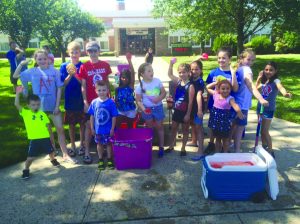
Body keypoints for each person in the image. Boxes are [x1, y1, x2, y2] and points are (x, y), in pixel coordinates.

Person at [13, 49, 77, 164]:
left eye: (44, 58)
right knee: (47, 130)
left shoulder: (54, 72)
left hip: (53, 106)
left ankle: (65, 154)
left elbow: (59, 88)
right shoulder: (32, 71)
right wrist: (22, 64)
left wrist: (57, 105)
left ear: (49, 59)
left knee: (60, 129)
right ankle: (51, 151)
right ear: (36, 60)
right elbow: (16, 75)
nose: (42, 61)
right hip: (39, 108)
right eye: (39, 59)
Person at [77, 41, 112, 164]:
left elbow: (107, 83)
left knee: (105, 122)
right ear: (87, 52)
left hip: (104, 100)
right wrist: (85, 101)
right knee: (88, 125)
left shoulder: (105, 65)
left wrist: (110, 96)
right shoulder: (84, 66)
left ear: (99, 51)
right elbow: (83, 86)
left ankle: (107, 152)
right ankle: (87, 152)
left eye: (95, 50)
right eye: (89, 51)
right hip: (91, 101)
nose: (92, 53)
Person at [15, 87, 60, 179]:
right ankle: (26, 169)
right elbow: (16, 104)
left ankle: (53, 159)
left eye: (38, 104)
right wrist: (17, 93)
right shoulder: (26, 113)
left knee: (51, 151)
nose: (36, 106)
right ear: (28, 105)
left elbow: (49, 128)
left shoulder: (42, 114)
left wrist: (52, 140)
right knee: (30, 158)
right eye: (33, 105)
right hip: (34, 140)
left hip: (45, 138)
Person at [231, 49, 269, 152]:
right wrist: (260, 98)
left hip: (235, 101)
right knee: (240, 128)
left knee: (233, 126)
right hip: (242, 104)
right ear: (242, 59)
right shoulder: (247, 70)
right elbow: (250, 85)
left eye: (253, 60)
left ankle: (228, 144)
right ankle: (237, 149)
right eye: (248, 59)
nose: (250, 62)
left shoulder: (239, 68)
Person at [205, 47, 238, 153]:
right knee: (213, 126)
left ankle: (225, 148)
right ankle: (211, 144)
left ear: (229, 59)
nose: (221, 60)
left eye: (224, 58)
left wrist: (233, 73)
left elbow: (235, 89)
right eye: (219, 58)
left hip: (227, 107)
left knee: (225, 130)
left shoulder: (233, 74)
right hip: (214, 105)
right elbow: (208, 87)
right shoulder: (213, 72)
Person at [255, 61, 292, 157]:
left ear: (275, 71)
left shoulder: (276, 81)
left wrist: (285, 93)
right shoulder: (264, 81)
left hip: (268, 109)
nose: (268, 71)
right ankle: (264, 146)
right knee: (261, 131)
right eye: (266, 69)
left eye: (271, 70)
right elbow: (255, 89)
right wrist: (258, 78)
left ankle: (270, 150)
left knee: (264, 131)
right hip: (260, 108)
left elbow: (280, 87)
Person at [135, 63, 166, 158]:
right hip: (147, 109)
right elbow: (138, 100)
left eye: (152, 70)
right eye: (149, 71)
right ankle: (149, 146)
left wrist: (159, 98)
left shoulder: (157, 81)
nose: (151, 72)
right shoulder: (140, 86)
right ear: (142, 74)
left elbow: (164, 93)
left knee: (159, 126)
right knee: (149, 127)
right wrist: (144, 109)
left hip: (158, 108)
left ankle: (161, 147)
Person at [60, 41, 85, 157]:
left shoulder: (83, 66)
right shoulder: (64, 66)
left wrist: (75, 74)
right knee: (71, 124)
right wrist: (70, 74)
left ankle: (82, 145)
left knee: (82, 124)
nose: (74, 54)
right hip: (69, 99)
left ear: (80, 53)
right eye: (72, 52)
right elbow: (63, 83)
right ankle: (73, 146)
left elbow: (83, 83)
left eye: (76, 52)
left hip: (80, 99)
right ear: (68, 53)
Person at [166, 61, 195, 156]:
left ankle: (183, 148)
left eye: (184, 72)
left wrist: (187, 114)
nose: (182, 74)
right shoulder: (178, 81)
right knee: (174, 128)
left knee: (185, 130)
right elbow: (170, 74)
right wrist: (171, 64)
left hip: (185, 112)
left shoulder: (190, 86)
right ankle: (171, 146)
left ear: (188, 73)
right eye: (180, 72)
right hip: (177, 111)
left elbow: (191, 102)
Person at [207, 80, 244, 152]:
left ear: (230, 90)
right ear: (219, 89)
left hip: (224, 123)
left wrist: (239, 112)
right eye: (223, 89)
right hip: (215, 122)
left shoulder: (230, 98)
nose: (225, 90)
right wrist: (215, 83)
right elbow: (206, 88)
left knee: (225, 139)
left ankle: (225, 153)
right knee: (217, 139)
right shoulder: (216, 95)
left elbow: (235, 105)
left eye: (228, 89)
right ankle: (217, 153)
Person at [88, 81, 118, 170]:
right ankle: (100, 159)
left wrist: (112, 129)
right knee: (99, 144)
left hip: (108, 129)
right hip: (98, 130)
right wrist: (92, 128)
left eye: (104, 90)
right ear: (96, 91)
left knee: (109, 144)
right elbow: (92, 116)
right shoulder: (94, 102)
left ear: (107, 90)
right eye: (99, 90)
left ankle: (109, 159)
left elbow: (114, 116)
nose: (102, 92)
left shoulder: (111, 103)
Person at [189, 60, 206, 161]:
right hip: (191, 107)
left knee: (199, 128)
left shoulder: (200, 82)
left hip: (198, 107)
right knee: (193, 125)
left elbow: (199, 95)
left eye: (196, 69)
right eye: (192, 69)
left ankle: (200, 151)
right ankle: (194, 141)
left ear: (201, 70)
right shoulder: (191, 79)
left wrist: (200, 110)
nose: (194, 71)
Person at [115, 53, 137, 128]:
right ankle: (118, 137)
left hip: (130, 109)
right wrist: (116, 105)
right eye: (123, 77)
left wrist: (129, 61)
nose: (125, 79)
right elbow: (116, 99)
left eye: (127, 78)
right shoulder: (117, 88)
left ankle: (130, 137)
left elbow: (133, 74)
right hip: (120, 110)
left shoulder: (130, 86)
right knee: (117, 124)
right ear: (120, 78)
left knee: (130, 126)